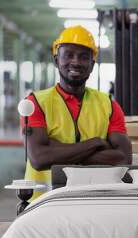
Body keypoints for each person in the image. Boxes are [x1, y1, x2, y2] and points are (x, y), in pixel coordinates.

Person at [22, 26, 132, 199]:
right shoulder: (35, 103)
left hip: (93, 201)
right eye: (69, 55)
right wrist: (96, 143)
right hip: (44, 203)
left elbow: (123, 158)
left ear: (92, 65)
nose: (76, 62)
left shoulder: (109, 105)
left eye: (83, 57)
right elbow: (39, 158)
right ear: (56, 60)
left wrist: (56, 151)